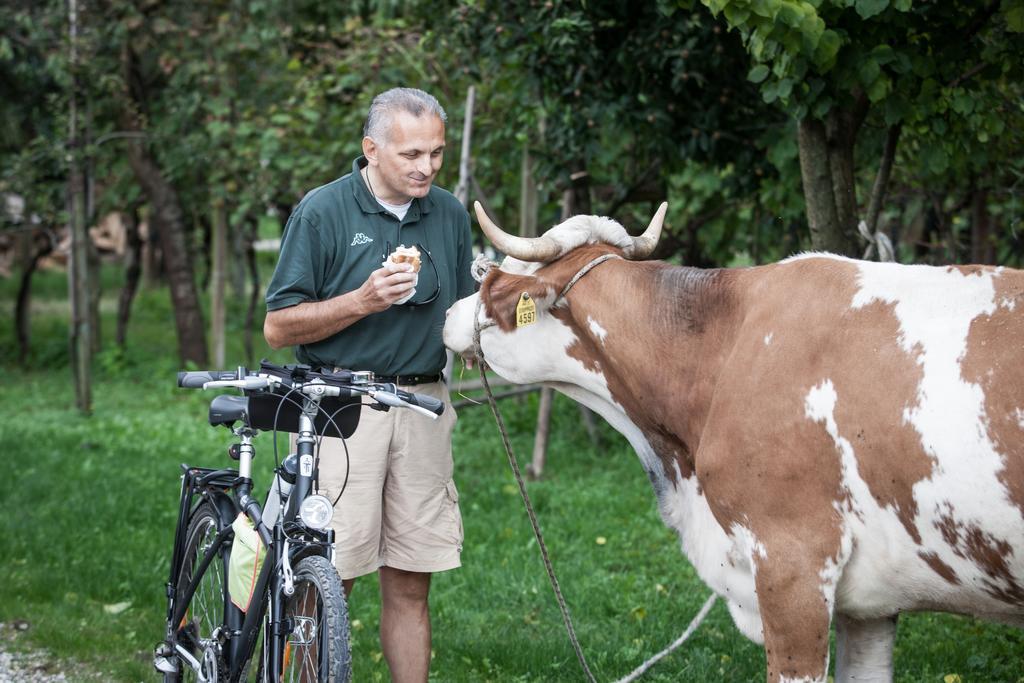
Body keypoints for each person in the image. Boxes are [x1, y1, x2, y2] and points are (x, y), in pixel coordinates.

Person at [263, 87, 475, 682]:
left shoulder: (450, 213)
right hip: (341, 408)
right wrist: (360, 302)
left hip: (424, 404)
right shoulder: (324, 210)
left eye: (435, 153)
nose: (426, 167)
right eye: (410, 154)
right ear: (371, 149)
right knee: (330, 578)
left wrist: (502, 329)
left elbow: (462, 311)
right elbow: (278, 326)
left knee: (411, 583)